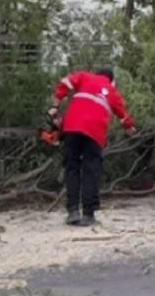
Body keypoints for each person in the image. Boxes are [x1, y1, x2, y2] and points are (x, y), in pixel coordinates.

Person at [49, 68, 137, 226]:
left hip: (72, 127)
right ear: (111, 80)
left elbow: (64, 83)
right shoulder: (111, 91)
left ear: (96, 73)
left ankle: (73, 211)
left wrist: (55, 106)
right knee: (91, 170)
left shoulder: (84, 77)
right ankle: (88, 215)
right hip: (94, 132)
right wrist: (130, 129)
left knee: (72, 167)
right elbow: (123, 116)